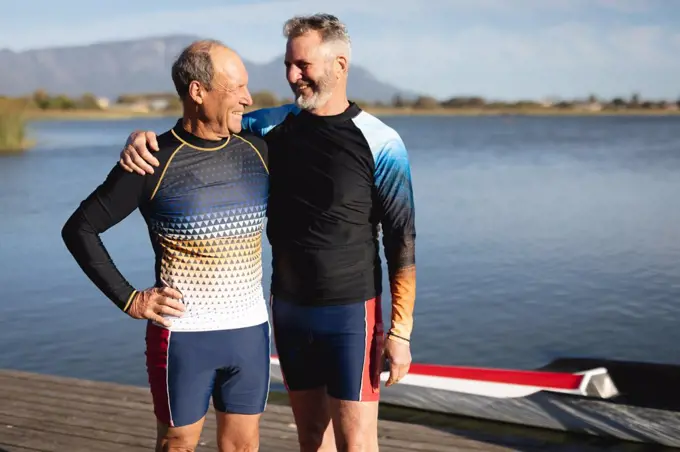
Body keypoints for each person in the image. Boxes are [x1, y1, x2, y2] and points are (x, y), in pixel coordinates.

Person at [118, 14, 416, 452]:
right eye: (288, 65)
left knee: (356, 442)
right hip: (289, 309)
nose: (293, 76)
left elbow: (401, 239)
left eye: (304, 65)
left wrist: (400, 332)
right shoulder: (269, 126)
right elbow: (204, 126)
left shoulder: (381, 141)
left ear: (340, 63)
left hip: (353, 311)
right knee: (312, 438)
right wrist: (145, 140)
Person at [62, 40, 271, 452]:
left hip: (250, 331)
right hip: (184, 336)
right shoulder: (151, 160)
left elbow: (314, 118)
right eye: (238, 88)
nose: (248, 98)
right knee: (177, 444)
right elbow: (80, 228)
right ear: (198, 92)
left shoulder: (260, 150)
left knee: (244, 447)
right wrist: (130, 300)